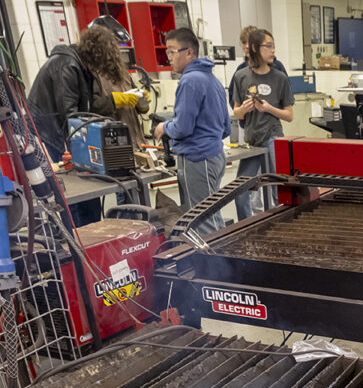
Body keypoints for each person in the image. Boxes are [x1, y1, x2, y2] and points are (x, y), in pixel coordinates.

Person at [27, 24, 148, 160]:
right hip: (48, 130)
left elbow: (86, 106)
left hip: (57, 126)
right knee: (71, 171)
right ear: (96, 55)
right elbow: (70, 116)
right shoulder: (68, 66)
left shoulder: (81, 66)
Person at [155, 28, 230, 235]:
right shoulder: (212, 80)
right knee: (212, 215)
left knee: (201, 220)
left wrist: (164, 127)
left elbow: (182, 128)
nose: (168, 58)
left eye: (172, 51)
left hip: (197, 159)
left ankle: (217, 265)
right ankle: (224, 262)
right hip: (214, 156)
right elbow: (226, 128)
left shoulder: (189, 81)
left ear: (188, 52)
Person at [229, 29, 293, 221]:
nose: (273, 50)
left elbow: (289, 116)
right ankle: (245, 229)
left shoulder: (280, 78)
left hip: (273, 137)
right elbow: (236, 112)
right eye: (269, 46)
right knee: (240, 192)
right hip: (252, 141)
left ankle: (284, 227)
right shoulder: (241, 76)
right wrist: (245, 109)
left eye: (274, 46)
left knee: (278, 192)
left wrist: (269, 109)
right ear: (256, 48)